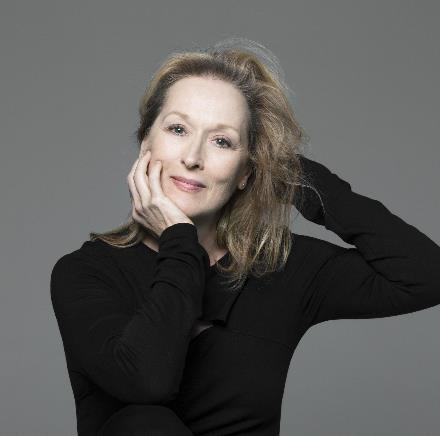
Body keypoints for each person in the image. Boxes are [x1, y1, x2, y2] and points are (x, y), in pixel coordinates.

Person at [50, 38, 440, 436]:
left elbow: (426, 276)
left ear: (245, 173)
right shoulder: (86, 273)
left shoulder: (276, 266)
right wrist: (179, 240)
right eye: (178, 129)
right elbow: (147, 382)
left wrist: (289, 174)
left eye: (222, 141)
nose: (193, 157)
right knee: (144, 423)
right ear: (145, 143)